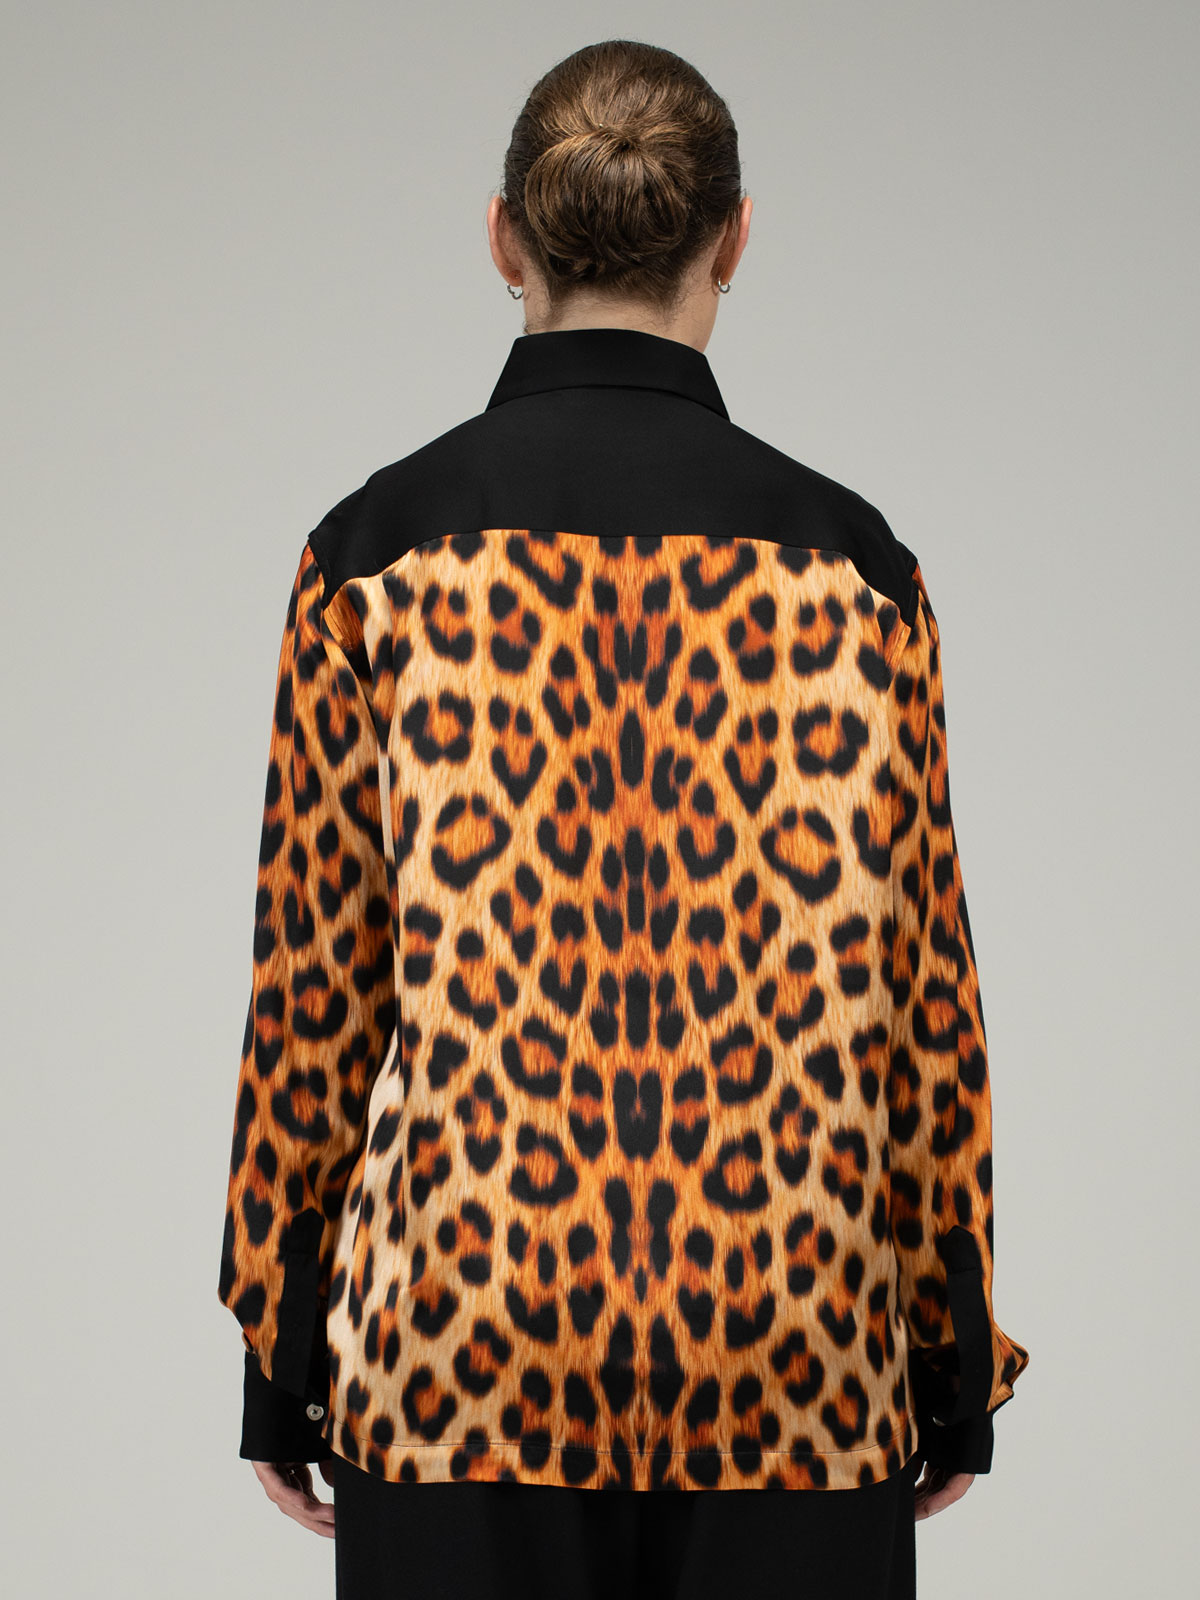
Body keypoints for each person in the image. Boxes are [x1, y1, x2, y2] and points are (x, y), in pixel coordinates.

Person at [216, 37, 1030, 1600]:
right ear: (734, 241)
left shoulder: (377, 552)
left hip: (463, 1342)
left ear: (502, 239)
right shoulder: (856, 569)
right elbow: (926, 1005)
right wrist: (950, 1353)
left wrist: (280, 1347)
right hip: (793, 1347)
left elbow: (314, 992)